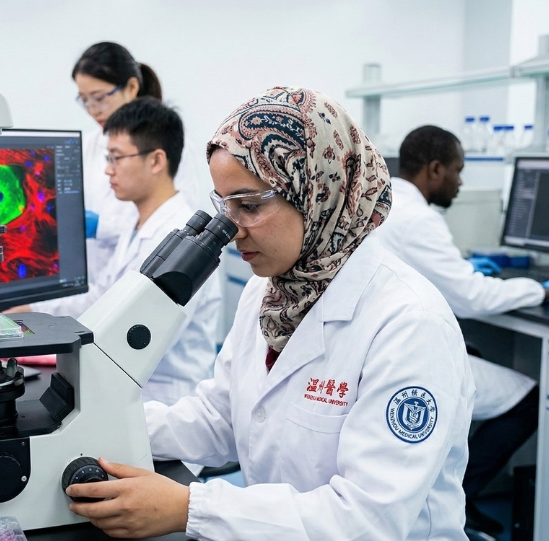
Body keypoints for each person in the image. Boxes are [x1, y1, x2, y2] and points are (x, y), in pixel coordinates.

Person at [64, 87, 475, 540]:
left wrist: (190, 508)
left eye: (250, 206)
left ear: (315, 191)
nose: (232, 230)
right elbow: (221, 418)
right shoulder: (268, 291)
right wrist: (97, 426)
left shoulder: (410, 324)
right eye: (225, 207)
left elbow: (366, 519)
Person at [368, 125, 549, 535]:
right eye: (458, 170)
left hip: (383, 347)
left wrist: (462, 270)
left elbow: (420, 269)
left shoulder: (387, 201)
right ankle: (461, 502)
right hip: (407, 357)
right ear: (436, 169)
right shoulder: (420, 219)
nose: (460, 181)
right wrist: (544, 289)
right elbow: (473, 298)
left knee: (476, 355)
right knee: (528, 398)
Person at [15, 98, 220, 406]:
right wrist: (29, 312)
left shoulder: (184, 244)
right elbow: (101, 298)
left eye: (116, 158)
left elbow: (133, 340)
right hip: (128, 389)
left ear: (156, 161)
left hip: (163, 400)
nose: (108, 170)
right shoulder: (136, 226)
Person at [72, 42, 211, 286]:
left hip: (151, 268)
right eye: (84, 100)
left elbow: (177, 219)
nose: (93, 110)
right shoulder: (91, 143)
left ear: (131, 87)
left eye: (99, 98)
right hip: (105, 275)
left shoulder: (168, 143)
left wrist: (102, 227)